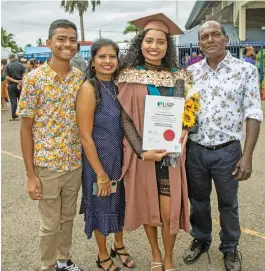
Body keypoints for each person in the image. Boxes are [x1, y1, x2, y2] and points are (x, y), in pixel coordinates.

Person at [117, 13, 197, 271]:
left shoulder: (180, 76)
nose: (154, 46)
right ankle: (155, 252)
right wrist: (141, 151)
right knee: (148, 204)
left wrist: (186, 129)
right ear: (140, 43)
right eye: (149, 40)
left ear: (167, 46)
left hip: (170, 154)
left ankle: (169, 256)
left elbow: (190, 112)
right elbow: (125, 119)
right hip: (144, 154)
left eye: (160, 42)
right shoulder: (130, 75)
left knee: (168, 209)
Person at [183, 21, 263, 271]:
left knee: (228, 203)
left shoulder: (245, 71)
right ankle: (201, 239)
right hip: (195, 149)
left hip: (228, 151)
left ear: (226, 39)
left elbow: (253, 112)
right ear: (199, 44)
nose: (209, 39)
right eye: (204, 36)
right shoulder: (191, 73)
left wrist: (247, 155)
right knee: (198, 201)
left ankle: (229, 247)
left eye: (214, 34)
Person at [17, 19, 85, 271]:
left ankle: (64, 261)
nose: (67, 44)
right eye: (61, 39)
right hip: (47, 166)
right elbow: (25, 129)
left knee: (67, 219)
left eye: (71, 39)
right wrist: (30, 175)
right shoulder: (34, 80)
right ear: (49, 43)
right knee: (49, 224)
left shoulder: (80, 79)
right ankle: (47, 266)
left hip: (74, 164)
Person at [77, 38, 135, 271]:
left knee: (120, 201)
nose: (108, 61)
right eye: (102, 56)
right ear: (93, 62)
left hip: (119, 159)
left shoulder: (119, 86)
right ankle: (102, 255)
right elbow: (85, 136)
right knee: (102, 202)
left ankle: (118, 244)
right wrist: (100, 173)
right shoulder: (88, 89)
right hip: (98, 161)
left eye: (112, 56)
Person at [4, 53, 26, 120]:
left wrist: (15, 81)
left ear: (9, 58)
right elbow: (24, 74)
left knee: (13, 101)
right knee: (21, 100)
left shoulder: (7, 66)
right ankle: (23, 115)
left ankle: (14, 116)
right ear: (15, 57)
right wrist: (20, 81)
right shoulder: (21, 65)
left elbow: (7, 77)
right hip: (20, 84)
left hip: (11, 85)